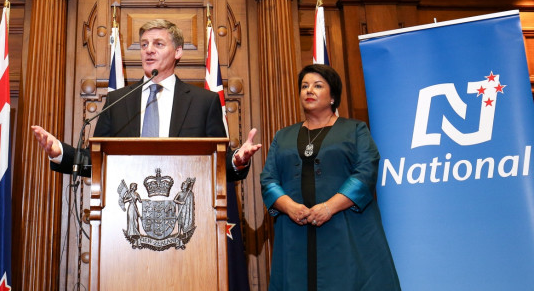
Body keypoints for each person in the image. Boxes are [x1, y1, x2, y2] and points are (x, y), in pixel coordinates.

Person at [33, 19, 261, 182]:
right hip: (127, 218)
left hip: (187, 218)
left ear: (178, 51)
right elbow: (97, 160)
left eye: (158, 44)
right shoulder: (117, 100)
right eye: (144, 45)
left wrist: (237, 161)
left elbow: (219, 164)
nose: (148, 51)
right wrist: (60, 152)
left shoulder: (204, 102)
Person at [260, 64, 400, 291]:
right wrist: (289, 207)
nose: (309, 91)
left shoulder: (355, 130)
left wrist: (329, 207)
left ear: (333, 96)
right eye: (304, 86)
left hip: (345, 228)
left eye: (317, 86)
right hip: (295, 232)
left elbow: (366, 172)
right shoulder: (283, 136)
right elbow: (268, 180)